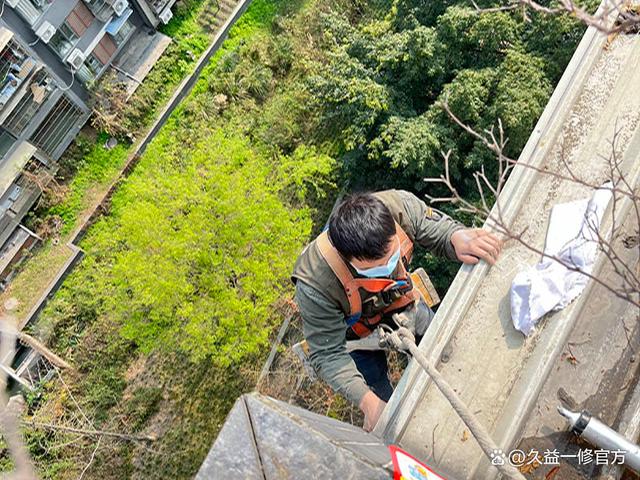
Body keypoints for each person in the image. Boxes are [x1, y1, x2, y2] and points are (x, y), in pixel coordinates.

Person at [292, 190, 502, 431]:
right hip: (357, 337)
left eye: (391, 257)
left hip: (403, 303)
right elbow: (327, 353)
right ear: (348, 259)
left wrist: (455, 236)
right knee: (383, 403)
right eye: (375, 268)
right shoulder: (315, 284)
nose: (387, 267)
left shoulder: (397, 207)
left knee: (447, 355)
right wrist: (368, 403)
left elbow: (434, 228)